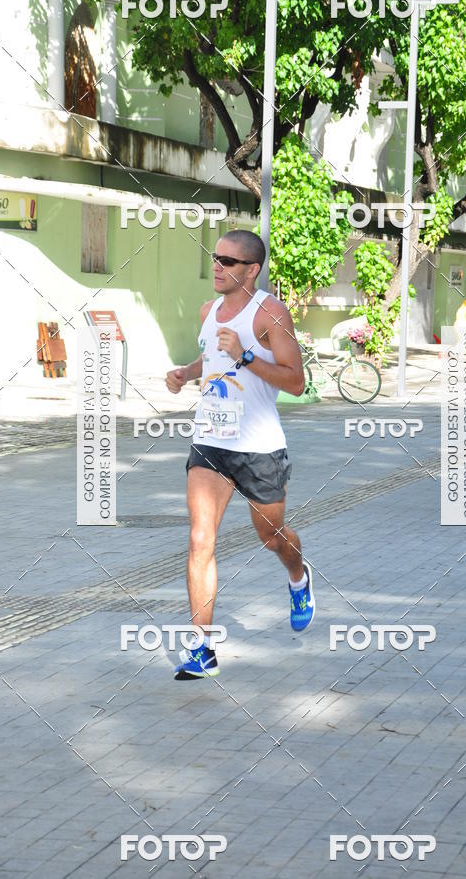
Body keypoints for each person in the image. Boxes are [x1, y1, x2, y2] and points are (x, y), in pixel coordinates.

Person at [165, 229, 314, 680]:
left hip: (258, 448)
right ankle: (202, 646)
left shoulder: (269, 312)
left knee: (271, 536)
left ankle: (299, 577)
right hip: (211, 441)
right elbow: (210, 357)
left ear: (252, 270)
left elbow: (296, 382)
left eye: (229, 261)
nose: (218, 266)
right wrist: (185, 374)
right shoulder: (208, 311)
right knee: (199, 540)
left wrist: (247, 356)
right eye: (216, 257)